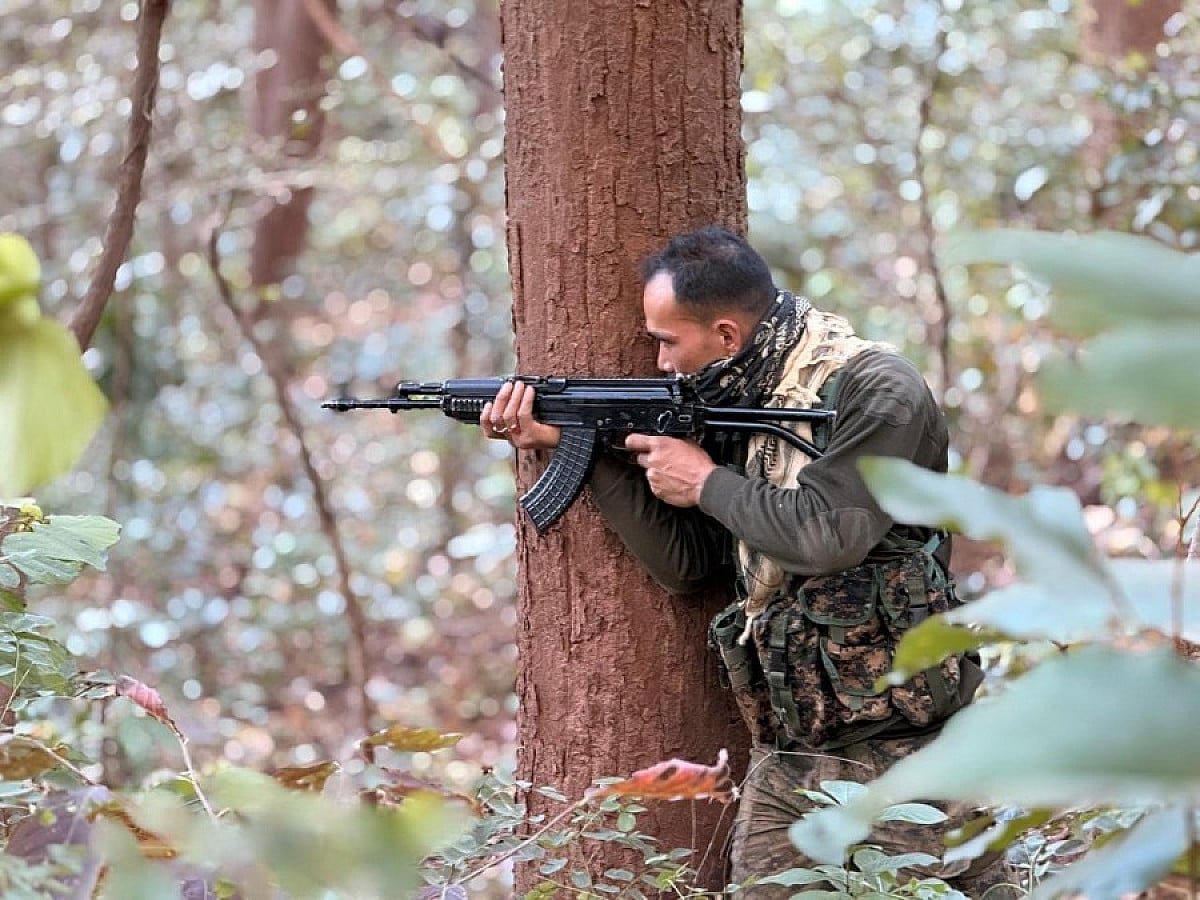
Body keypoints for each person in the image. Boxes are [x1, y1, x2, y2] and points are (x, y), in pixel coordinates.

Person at [480, 226, 1012, 895]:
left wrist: (706, 483)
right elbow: (688, 566)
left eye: (668, 341)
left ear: (727, 334)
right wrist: (574, 444)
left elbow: (831, 535)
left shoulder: (875, 389)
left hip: (906, 746)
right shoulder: (736, 398)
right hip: (789, 748)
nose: (662, 362)